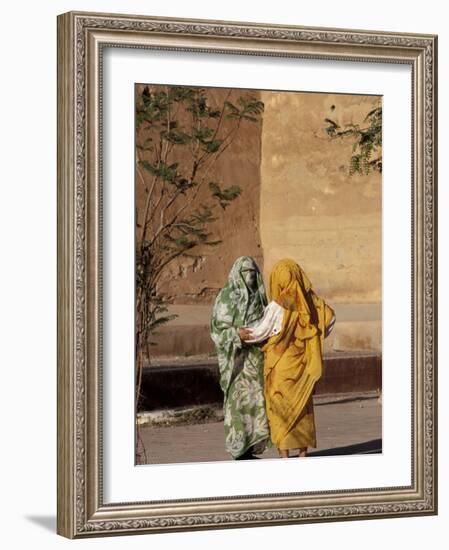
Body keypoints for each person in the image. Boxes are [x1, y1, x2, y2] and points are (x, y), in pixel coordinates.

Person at [244, 258, 335, 458]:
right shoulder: (313, 302)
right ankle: (303, 452)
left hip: (280, 365)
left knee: (279, 407)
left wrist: (240, 334)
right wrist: (317, 337)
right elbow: (330, 319)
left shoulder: (278, 305)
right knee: (302, 406)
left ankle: (284, 454)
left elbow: (260, 332)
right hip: (303, 364)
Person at [210, 256, 271, 460]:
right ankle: (238, 450)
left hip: (255, 360)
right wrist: (237, 335)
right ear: (238, 274)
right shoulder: (226, 297)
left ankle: (251, 448)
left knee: (256, 402)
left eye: (254, 273)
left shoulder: (259, 297)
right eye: (246, 273)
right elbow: (217, 331)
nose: (251, 277)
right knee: (237, 404)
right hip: (236, 363)